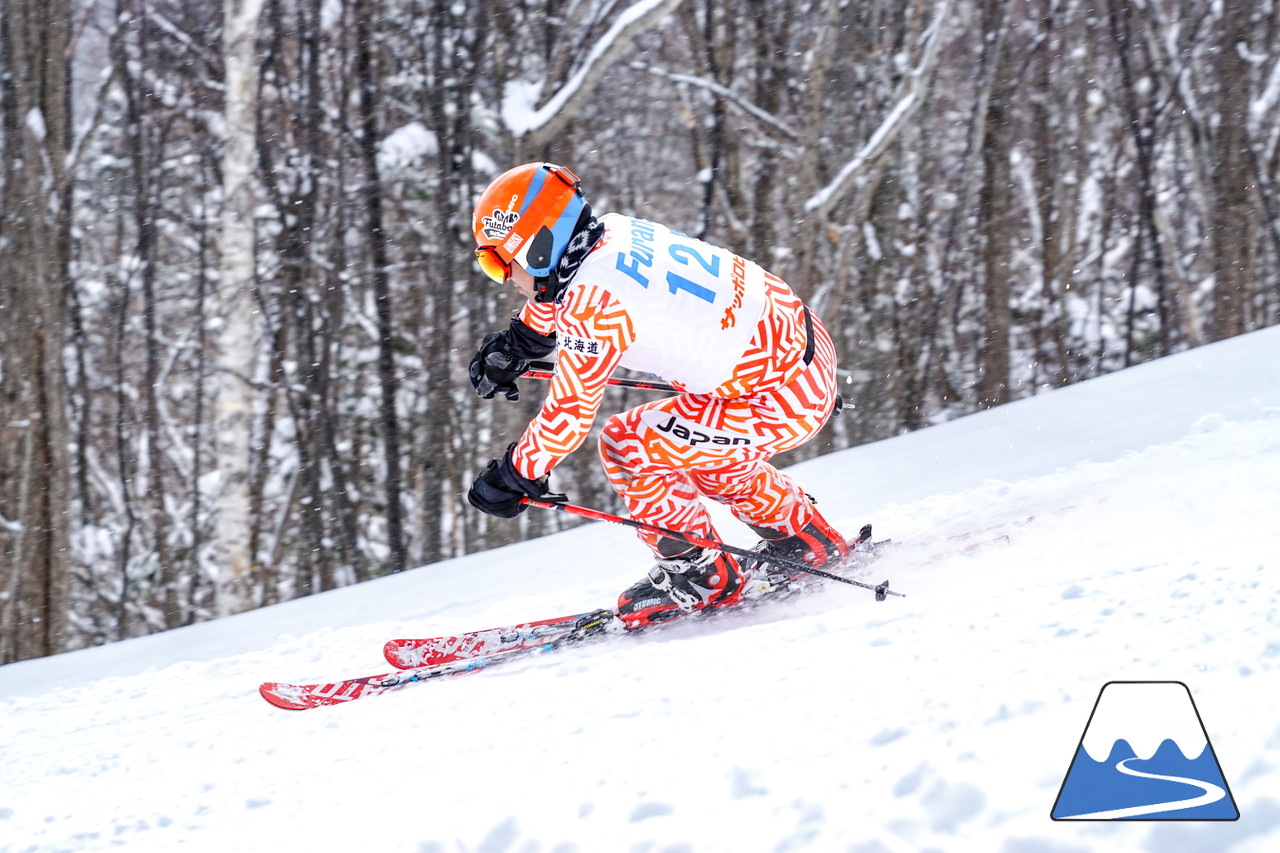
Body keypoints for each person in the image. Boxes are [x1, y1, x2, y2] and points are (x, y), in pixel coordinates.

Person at [465, 162, 848, 628]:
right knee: (705, 457)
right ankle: (801, 538)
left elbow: (568, 414)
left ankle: (702, 576)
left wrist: (514, 474)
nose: (504, 276)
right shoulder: (613, 232)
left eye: (499, 261)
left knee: (627, 444)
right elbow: (566, 289)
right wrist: (521, 342)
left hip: (779, 398)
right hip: (800, 358)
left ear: (540, 246)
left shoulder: (594, 303)